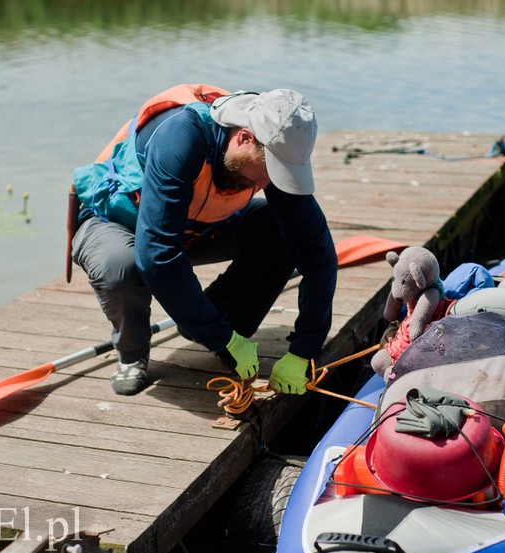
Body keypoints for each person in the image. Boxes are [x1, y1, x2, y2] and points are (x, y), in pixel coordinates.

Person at [70, 84, 337, 396]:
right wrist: (222, 338)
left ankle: (216, 322)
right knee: (121, 267)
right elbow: (157, 255)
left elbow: (318, 254)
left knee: (280, 232)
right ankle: (132, 354)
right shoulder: (181, 136)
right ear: (245, 138)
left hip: (194, 226)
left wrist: (304, 350)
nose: (269, 183)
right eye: (269, 171)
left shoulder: (266, 152)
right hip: (117, 221)